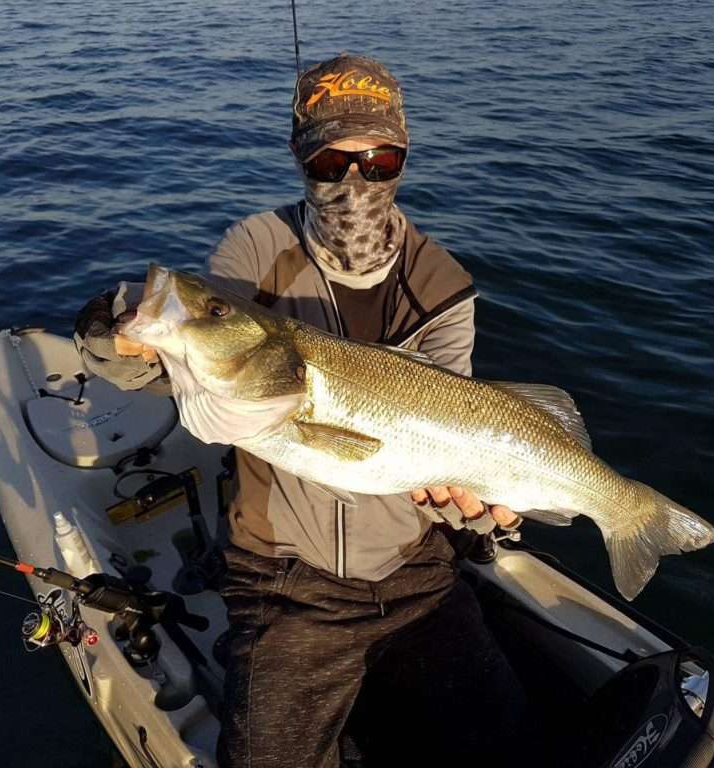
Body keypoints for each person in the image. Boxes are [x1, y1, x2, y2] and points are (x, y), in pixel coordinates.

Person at [76, 53, 526, 768]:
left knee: (505, 746)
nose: (355, 181)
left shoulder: (444, 285)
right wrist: (111, 333)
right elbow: (187, 356)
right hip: (283, 582)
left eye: (378, 160)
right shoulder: (256, 247)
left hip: (417, 574)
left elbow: (452, 433)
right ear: (299, 158)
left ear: (403, 157)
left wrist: (470, 504)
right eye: (330, 160)